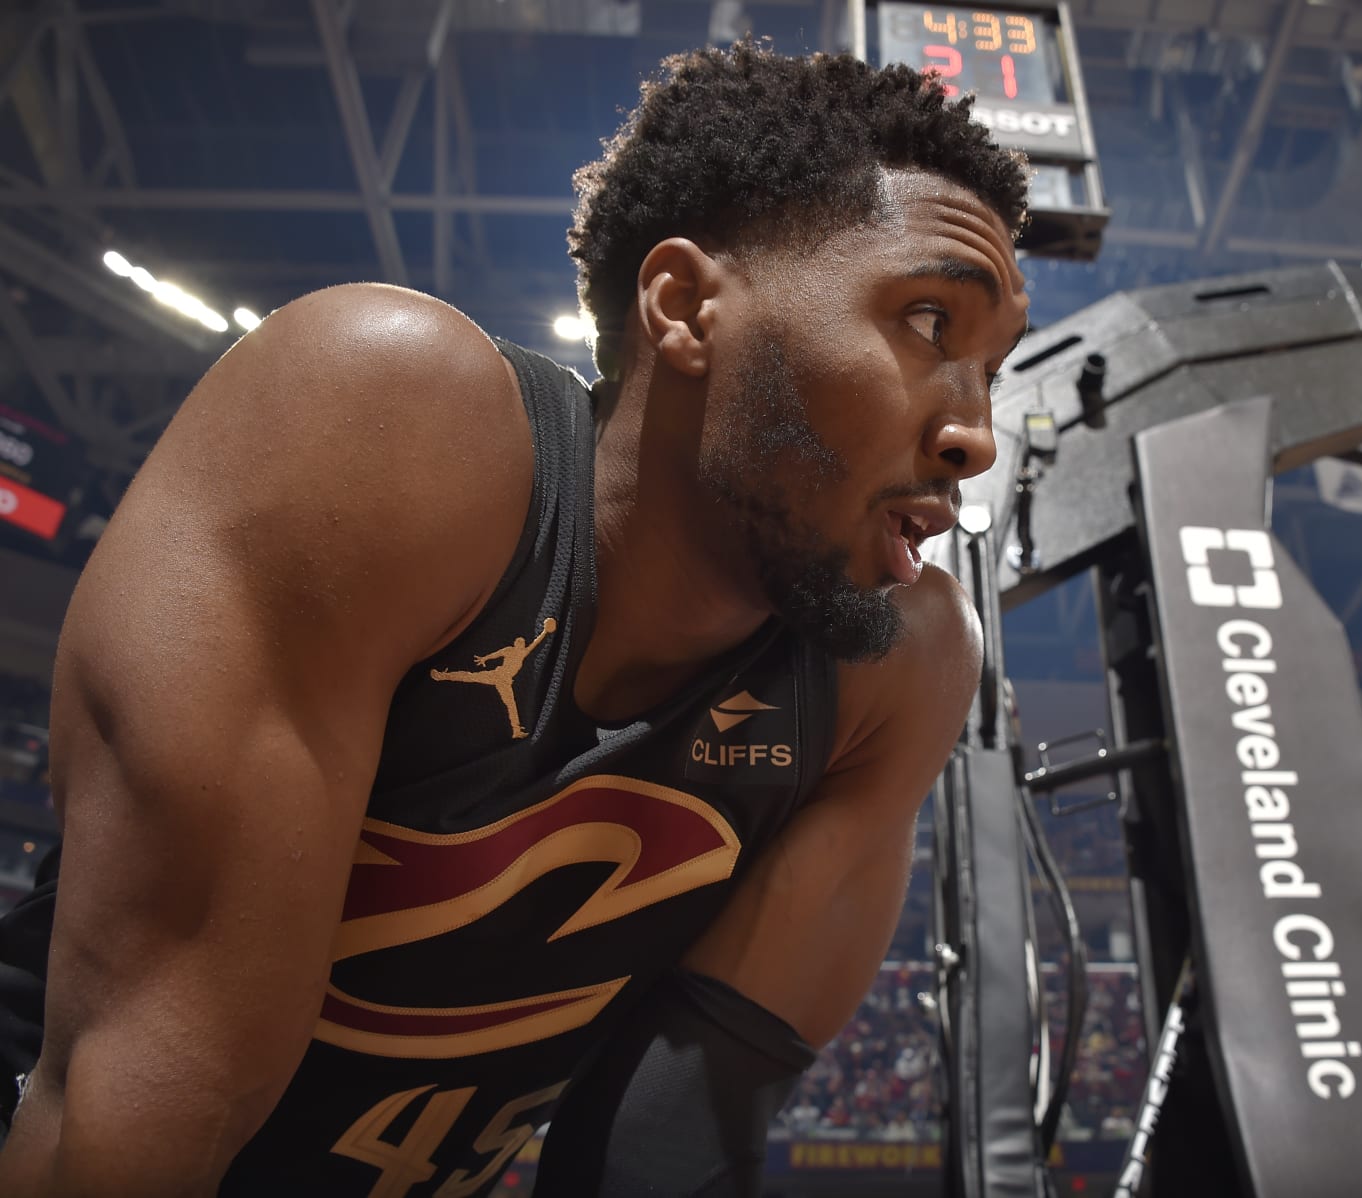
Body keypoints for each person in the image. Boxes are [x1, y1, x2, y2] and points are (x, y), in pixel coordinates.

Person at [0, 40, 1029, 1196]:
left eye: (995, 369)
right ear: (685, 305)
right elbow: (137, 1115)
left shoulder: (901, 666)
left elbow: (662, 1155)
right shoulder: (386, 426)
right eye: (932, 323)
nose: (973, 435)